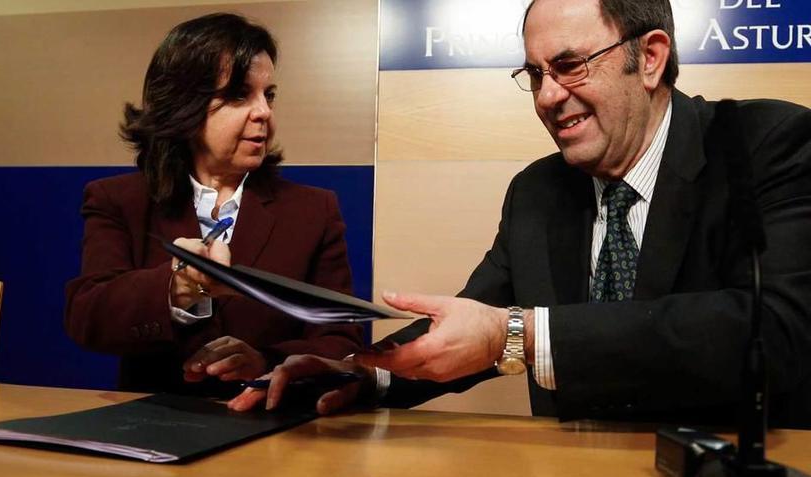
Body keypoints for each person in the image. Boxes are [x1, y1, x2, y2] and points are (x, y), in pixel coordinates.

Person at [230, 0, 811, 427]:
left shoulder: (763, 145)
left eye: (571, 65)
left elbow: (780, 334)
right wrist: (363, 371)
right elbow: (473, 322)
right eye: (535, 75)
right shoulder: (536, 191)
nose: (548, 97)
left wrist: (520, 335)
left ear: (651, 58)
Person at [64, 13, 364, 396]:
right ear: (182, 103)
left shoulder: (313, 210)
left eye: (268, 95)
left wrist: (266, 360)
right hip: (155, 426)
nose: (264, 113)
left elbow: (342, 341)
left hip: (274, 432)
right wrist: (177, 285)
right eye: (239, 95)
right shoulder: (118, 200)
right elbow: (88, 317)